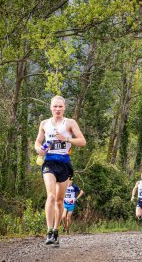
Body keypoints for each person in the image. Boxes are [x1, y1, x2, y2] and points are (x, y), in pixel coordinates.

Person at [34, 95, 86, 246]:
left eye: (60, 106)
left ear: (64, 108)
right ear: (50, 107)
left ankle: (56, 231)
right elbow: (38, 142)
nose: (57, 109)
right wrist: (39, 150)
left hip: (64, 164)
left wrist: (66, 139)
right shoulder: (44, 123)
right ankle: (49, 231)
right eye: (55, 106)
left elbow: (82, 141)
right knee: (50, 196)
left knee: (58, 200)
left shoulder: (69, 123)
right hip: (49, 162)